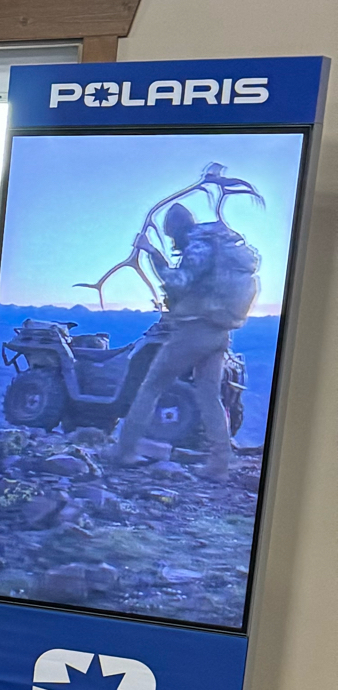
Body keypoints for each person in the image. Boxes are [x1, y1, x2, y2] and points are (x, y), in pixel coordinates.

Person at [109, 182, 260, 478]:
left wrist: (152, 253)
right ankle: (218, 465)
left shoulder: (198, 246)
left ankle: (124, 450)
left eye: (170, 236)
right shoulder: (216, 247)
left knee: (152, 385)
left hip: (195, 330)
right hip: (220, 332)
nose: (172, 242)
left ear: (177, 229)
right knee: (208, 395)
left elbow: (178, 282)